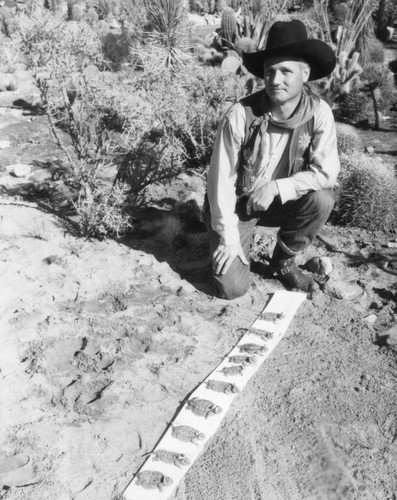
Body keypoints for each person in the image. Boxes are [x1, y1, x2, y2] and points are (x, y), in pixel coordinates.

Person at [205, 19, 340, 299]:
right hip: (237, 204)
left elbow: (327, 172)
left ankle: (282, 261)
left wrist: (278, 187)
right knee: (231, 289)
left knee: (322, 199)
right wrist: (228, 238)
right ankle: (228, 240)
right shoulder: (240, 115)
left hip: (279, 201)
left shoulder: (319, 113)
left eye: (285, 71)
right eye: (269, 72)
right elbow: (221, 184)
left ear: (305, 73)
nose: (275, 80)